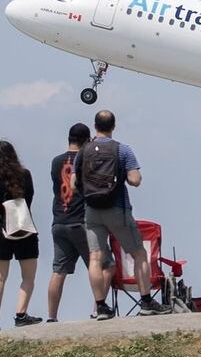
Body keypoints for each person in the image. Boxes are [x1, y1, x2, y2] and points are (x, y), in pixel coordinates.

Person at [74, 110, 169, 319]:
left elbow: (74, 183)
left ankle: (101, 306)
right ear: (113, 126)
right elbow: (135, 180)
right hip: (117, 209)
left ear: (95, 126)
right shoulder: (122, 150)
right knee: (138, 253)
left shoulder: (83, 152)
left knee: (95, 257)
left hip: (92, 211)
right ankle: (146, 301)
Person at [47, 123, 115, 322]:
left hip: (59, 221)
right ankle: (98, 308)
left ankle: (51, 317)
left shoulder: (55, 162)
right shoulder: (87, 160)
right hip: (82, 222)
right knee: (106, 265)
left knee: (59, 271)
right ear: (87, 141)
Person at [0, 141, 42, 332]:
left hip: (0, 231)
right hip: (24, 229)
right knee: (28, 276)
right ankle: (21, 315)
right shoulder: (26, 176)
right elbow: (29, 198)